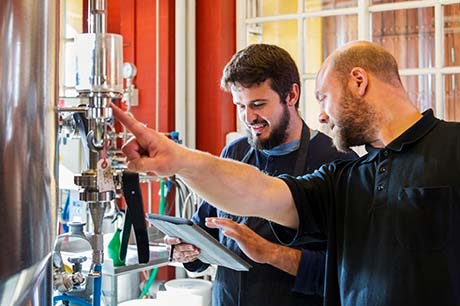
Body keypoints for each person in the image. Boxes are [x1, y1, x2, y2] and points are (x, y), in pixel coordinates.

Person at [111, 40, 460, 306]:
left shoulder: (449, 147)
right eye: (240, 106)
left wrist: (270, 253)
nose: (321, 115)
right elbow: (263, 193)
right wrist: (179, 160)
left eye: (323, 97)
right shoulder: (351, 177)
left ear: (358, 81)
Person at [164, 44, 357, 306]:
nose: (248, 117)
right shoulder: (235, 151)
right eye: (240, 105)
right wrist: (188, 249)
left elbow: (348, 274)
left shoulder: (337, 161)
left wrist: (270, 253)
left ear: (291, 95)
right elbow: (206, 228)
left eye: (258, 104)